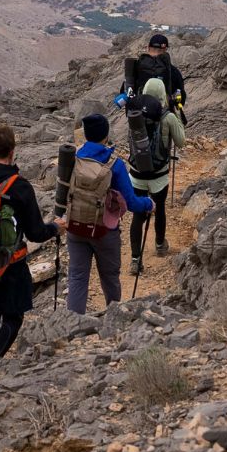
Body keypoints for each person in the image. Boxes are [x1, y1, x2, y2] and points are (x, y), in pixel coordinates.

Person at [0, 125, 62, 360]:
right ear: (12, 153)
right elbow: (36, 233)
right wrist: (56, 228)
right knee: (13, 317)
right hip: (10, 264)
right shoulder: (19, 186)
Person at [65, 113, 153, 314]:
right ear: (106, 136)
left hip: (75, 227)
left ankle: (72, 326)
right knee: (110, 276)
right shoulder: (115, 164)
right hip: (104, 231)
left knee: (77, 277)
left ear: (86, 135)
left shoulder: (74, 157)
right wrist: (148, 203)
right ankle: (113, 319)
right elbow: (131, 203)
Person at [128, 76, 187, 275]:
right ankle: (160, 245)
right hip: (159, 175)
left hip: (136, 173)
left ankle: (135, 259)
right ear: (163, 94)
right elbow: (181, 142)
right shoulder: (167, 116)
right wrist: (176, 113)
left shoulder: (133, 112)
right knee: (159, 207)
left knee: (138, 214)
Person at [121, 33, 187, 121]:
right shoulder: (172, 71)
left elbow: (125, 91)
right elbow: (181, 98)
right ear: (166, 49)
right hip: (164, 117)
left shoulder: (136, 67)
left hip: (139, 117)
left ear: (148, 47)